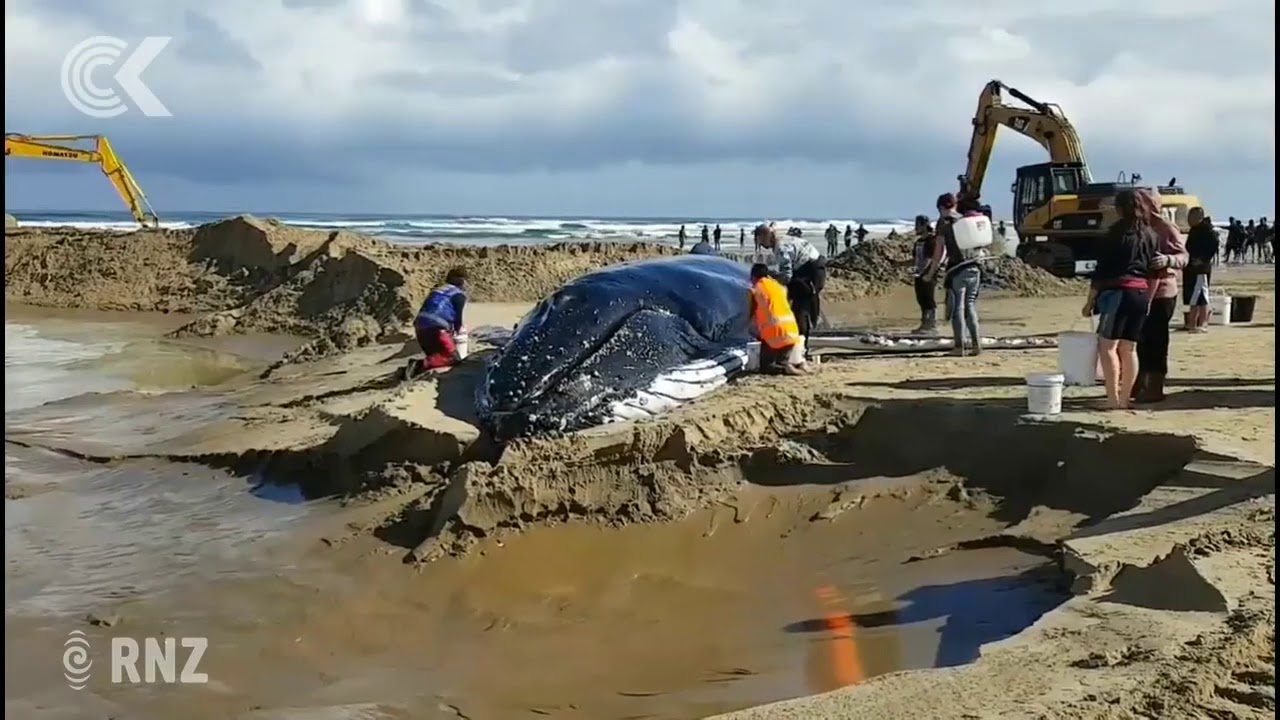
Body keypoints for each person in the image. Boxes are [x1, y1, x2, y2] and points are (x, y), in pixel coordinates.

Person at [1081, 189, 1158, 410]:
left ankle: (1113, 399)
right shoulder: (1150, 235)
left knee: (1108, 347)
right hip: (1141, 294)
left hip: (1118, 293)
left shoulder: (1114, 234)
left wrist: (1089, 302)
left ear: (1119, 209)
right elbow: (1154, 273)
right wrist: (1149, 299)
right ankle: (1125, 399)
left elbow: (1101, 272)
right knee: (1130, 349)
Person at [1132, 188, 1188, 403]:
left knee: (1156, 340)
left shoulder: (1165, 228)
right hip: (1141, 290)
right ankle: (1139, 381)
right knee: (1140, 339)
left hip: (1163, 292)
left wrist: (1167, 260)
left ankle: (1155, 386)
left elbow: (1183, 256)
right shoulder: (1137, 227)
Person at [754, 222, 827, 356]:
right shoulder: (781, 238)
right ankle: (801, 343)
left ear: (765, 236)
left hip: (811, 271)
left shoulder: (780, 248)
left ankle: (801, 349)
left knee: (800, 310)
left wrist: (771, 280)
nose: (762, 246)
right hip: (810, 267)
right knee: (800, 305)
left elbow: (787, 276)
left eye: (761, 241)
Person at [932, 193, 990, 356]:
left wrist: (931, 272)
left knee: (958, 307)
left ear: (941, 207)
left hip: (958, 269)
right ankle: (976, 345)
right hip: (975, 267)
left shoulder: (944, 223)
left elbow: (939, 252)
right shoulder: (966, 219)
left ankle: (959, 347)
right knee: (970, 306)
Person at [748, 263, 811, 375]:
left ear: (753, 277)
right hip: (792, 331)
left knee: (766, 367)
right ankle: (799, 363)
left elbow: (751, 312)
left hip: (775, 334)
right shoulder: (778, 287)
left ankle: (786, 368)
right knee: (783, 358)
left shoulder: (756, 290)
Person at [407, 266, 469, 379]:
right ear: (462, 281)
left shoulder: (438, 290)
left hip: (420, 327)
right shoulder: (458, 295)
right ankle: (417, 365)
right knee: (453, 358)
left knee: (435, 356)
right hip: (436, 328)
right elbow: (457, 320)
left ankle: (411, 372)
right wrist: (457, 333)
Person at [1183, 207, 1218, 333]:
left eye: (1191, 217)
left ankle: (1203, 322)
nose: (1189, 220)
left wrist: (1203, 259)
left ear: (1199, 217)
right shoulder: (1194, 230)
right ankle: (1192, 322)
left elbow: (1214, 244)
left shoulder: (1207, 230)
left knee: (1202, 296)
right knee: (1193, 296)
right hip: (1192, 266)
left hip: (1201, 268)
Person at [911, 214, 940, 334]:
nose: (915, 228)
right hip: (919, 274)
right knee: (921, 300)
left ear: (924, 226)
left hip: (928, 275)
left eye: (917, 225)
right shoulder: (918, 242)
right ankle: (924, 324)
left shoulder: (931, 241)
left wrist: (924, 273)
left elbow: (930, 259)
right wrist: (899, 264)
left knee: (928, 300)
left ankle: (931, 325)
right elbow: (916, 259)